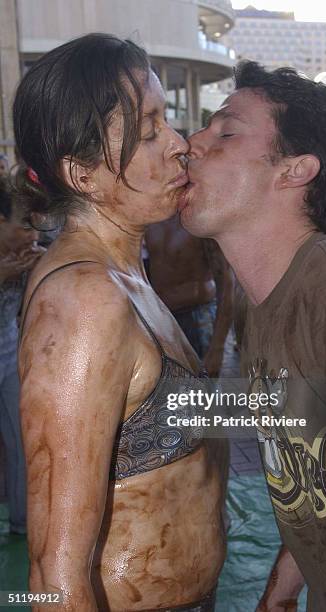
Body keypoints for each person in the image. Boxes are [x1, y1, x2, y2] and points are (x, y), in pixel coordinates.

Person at [181, 62, 326, 611]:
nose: (192, 142)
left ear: (295, 170)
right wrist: (284, 587)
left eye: (225, 132)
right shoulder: (270, 307)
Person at [14, 33, 227, 611]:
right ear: (83, 173)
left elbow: (165, 414)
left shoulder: (124, 276)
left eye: (168, 122)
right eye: (149, 131)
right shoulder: (85, 302)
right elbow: (53, 577)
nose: (179, 145)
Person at [0, 176, 42, 534]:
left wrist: (42, 269)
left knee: (21, 440)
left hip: (9, 355)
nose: (33, 235)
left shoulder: (26, 257)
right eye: (25, 225)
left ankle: (22, 523)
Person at [145, 215, 234, 376]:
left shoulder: (199, 221)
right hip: (163, 320)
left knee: (201, 393)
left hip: (198, 320)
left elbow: (227, 284)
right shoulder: (149, 221)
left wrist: (218, 347)